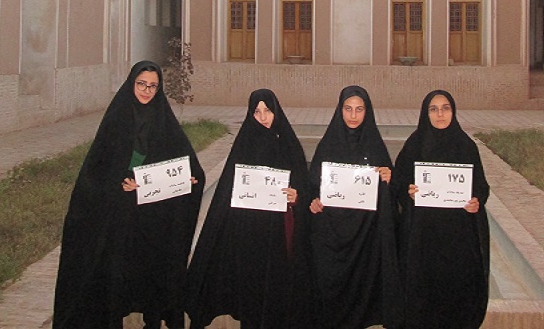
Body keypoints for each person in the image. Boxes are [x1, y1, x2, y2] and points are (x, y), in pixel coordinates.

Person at [53, 60, 205, 329]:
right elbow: (98, 169)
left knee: (150, 272)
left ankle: (152, 320)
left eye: (153, 86)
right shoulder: (116, 120)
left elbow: (187, 166)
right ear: (131, 84)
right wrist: (121, 183)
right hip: (120, 216)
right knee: (116, 274)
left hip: (152, 219)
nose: (147, 91)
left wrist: (188, 180)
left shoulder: (164, 122)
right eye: (141, 84)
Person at [186, 89, 312, 329]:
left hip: (279, 233)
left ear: (276, 112)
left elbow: (303, 186)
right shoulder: (244, 145)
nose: (263, 117)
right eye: (257, 111)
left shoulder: (289, 145)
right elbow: (227, 191)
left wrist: (297, 196)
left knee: (277, 289)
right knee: (251, 293)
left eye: (268, 110)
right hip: (249, 233)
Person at [308, 85, 403, 329]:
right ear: (339, 110)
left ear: (367, 112)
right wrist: (314, 201)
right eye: (348, 109)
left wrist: (388, 179)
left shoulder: (375, 147)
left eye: (359, 109)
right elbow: (312, 186)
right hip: (332, 234)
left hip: (364, 237)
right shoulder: (327, 146)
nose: (353, 115)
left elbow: (393, 197)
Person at [394, 89, 490, 329]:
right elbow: (398, 181)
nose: (440, 114)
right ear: (425, 113)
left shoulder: (466, 146)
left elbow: (481, 186)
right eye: (433, 109)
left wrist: (476, 200)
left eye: (445, 108)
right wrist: (408, 190)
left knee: (455, 283)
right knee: (422, 284)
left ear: (453, 112)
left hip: (457, 234)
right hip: (422, 234)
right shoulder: (415, 144)